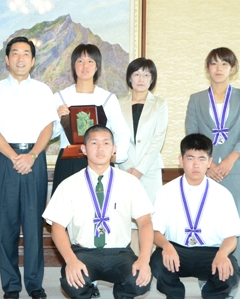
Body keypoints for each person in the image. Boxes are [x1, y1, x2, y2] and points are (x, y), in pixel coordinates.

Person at [0, 36, 57, 299]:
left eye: (26, 54)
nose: (20, 58)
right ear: (7, 60)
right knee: (8, 225)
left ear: (33, 60)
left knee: (34, 224)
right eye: (15, 53)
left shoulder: (44, 91)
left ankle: (35, 284)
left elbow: (49, 127)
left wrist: (32, 155)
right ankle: (11, 285)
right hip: (5, 158)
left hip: (35, 158)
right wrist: (14, 157)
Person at [43, 125, 154, 299]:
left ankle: (122, 294)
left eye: (106, 143)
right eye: (94, 143)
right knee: (73, 284)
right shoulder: (69, 184)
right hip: (84, 252)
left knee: (139, 281)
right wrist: (71, 261)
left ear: (114, 149)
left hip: (120, 253)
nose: (100, 148)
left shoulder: (130, 182)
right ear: (84, 149)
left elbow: (145, 222)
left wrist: (144, 259)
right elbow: (57, 228)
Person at [185, 47, 240, 297]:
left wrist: (231, 159)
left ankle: (232, 280)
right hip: (204, 171)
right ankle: (207, 276)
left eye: (224, 64)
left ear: (232, 68)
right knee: (206, 222)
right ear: (207, 68)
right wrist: (207, 164)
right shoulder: (196, 99)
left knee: (234, 226)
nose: (218, 68)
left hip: (237, 169)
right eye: (213, 64)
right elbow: (192, 134)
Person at [150, 133, 240, 298]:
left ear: (209, 162)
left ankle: (211, 295)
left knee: (231, 270)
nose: (195, 164)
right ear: (181, 160)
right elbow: (155, 231)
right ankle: (175, 294)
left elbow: (231, 237)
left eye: (201, 159)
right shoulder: (166, 192)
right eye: (190, 158)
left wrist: (222, 254)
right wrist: (166, 246)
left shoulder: (222, 194)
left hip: (211, 252)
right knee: (157, 261)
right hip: (177, 250)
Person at [51, 44, 130, 198]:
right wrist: (58, 119)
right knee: (66, 210)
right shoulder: (60, 97)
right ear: (74, 66)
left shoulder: (107, 98)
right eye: (80, 61)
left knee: (99, 209)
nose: (85, 66)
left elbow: (122, 132)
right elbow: (49, 135)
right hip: (68, 162)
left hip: (100, 161)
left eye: (90, 61)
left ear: (97, 67)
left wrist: (115, 156)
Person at [118, 58, 168, 255]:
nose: (141, 78)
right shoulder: (118, 103)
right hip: (124, 168)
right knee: (127, 219)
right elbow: (115, 137)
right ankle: (130, 266)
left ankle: (147, 264)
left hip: (149, 171)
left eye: (146, 74)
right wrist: (127, 168)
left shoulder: (160, 105)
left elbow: (158, 140)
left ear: (152, 79)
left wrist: (138, 170)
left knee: (149, 219)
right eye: (137, 74)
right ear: (130, 78)